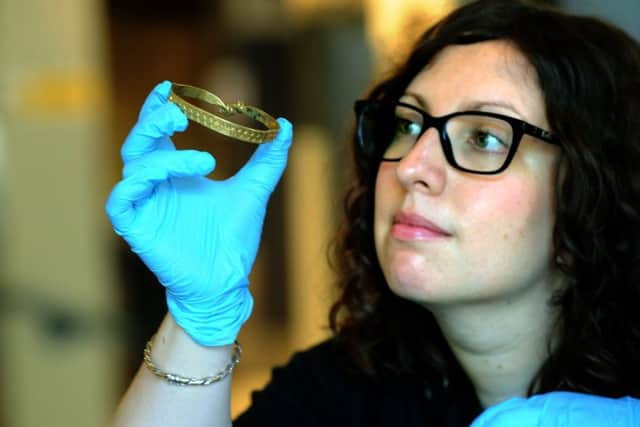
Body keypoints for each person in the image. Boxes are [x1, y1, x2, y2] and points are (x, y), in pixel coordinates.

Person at [106, 0, 640, 426]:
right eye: (408, 125)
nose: (412, 165)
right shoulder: (348, 387)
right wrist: (199, 321)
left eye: (482, 137)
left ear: (594, 188)